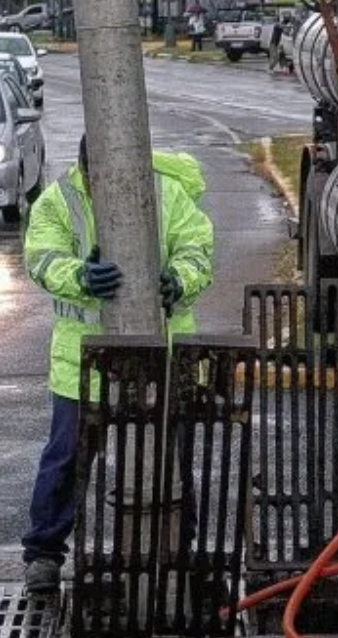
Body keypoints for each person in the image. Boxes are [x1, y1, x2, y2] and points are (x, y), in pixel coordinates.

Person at [20, 135, 215, 593]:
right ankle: (44, 553)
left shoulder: (167, 193)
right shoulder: (60, 199)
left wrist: (178, 280)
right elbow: (42, 258)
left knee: (173, 460)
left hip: (162, 354)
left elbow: (197, 250)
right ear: (85, 169)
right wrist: (79, 276)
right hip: (84, 359)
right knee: (67, 457)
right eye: (97, 176)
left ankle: (177, 552)